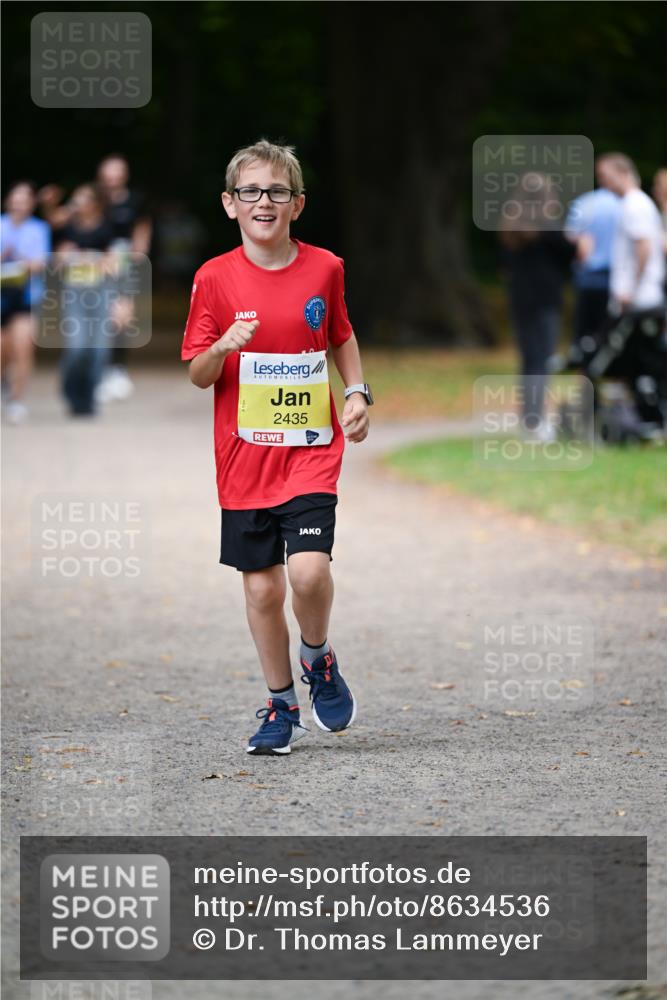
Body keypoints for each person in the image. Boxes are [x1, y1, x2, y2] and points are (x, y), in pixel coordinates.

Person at [181, 139, 372, 755]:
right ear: (230, 204)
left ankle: (317, 657)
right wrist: (223, 346)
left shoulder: (325, 268)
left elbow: (340, 334)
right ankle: (281, 704)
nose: (264, 201)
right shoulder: (213, 278)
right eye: (251, 192)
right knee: (263, 588)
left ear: (298, 204)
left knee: (308, 570)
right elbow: (197, 374)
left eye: (277, 191)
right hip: (243, 458)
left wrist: (358, 392)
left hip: (311, 449)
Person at [499, 172, 575, 438]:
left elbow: (505, 263)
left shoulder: (512, 225)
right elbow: (570, 254)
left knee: (528, 360)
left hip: (519, 299)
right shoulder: (549, 226)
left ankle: (528, 419)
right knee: (542, 360)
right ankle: (537, 421)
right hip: (545, 300)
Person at [95, 154, 152, 402]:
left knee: (121, 318)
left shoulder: (136, 200)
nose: (112, 177)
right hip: (96, 265)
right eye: (108, 172)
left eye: (117, 171)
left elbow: (142, 229)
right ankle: (99, 371)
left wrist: (138, 256)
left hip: (125, 265)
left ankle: (116, 369)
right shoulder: (94, 200)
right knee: (98, 317)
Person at [56, 184, 116, 416]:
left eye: (82, 200)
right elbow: (57, 262)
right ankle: (71, 391)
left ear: (94, 203)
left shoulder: (106, 229)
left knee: (99, 350)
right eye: (75, 200)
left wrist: (91, 259)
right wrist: (66, 256)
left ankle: (89, 397)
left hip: (101, 294)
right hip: (74, 296)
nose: (77, 205)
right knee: (77, 346)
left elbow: (114, 264)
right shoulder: (67, 229)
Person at [0, 182, 50, 423]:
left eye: (24, 199)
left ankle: (18, 400)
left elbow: (40, 262)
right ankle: (4, 383)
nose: (19, 204)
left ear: (31, 204)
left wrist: (23, 262)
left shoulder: (39, 229)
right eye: (15, 199)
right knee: (3, 349)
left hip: (26, 297)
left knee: (23, 347)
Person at [564, 159, 621, 365]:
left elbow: (576, 245)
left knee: (584, 337)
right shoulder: (624, 204)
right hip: (617, 281)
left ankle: (586, 385)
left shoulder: (584, 203)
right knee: (612, 336)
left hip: (587, 279)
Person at [598, 153, 665, 314]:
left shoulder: (634, 204)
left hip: (637, 298)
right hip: (635, 296)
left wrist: (630, 288)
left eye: (604, 176)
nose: (602, 182)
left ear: (624, 173)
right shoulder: (632, 202)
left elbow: (644, 246)